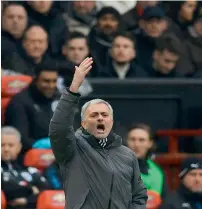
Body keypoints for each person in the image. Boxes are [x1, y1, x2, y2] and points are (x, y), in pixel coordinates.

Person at [49, 57, 147, 209]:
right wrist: (73, 88)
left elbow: (139, 195)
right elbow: (59, 128)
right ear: (83, 123)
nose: (100, 118)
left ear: (111, 122)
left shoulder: (128, 155)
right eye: (94, 115)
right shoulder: (72, 148)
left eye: (104, 115)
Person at [1, 126, 50, 209]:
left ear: (19, 147)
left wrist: (27, 200)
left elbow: (46, 190)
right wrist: (31, 189)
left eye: (10, 145)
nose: (6, 149)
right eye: (2, 145)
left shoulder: (30, 170)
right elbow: (7, 189)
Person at [126, 124, 169, 199]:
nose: (136, 144)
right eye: (132, 139)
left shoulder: (158, 171)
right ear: (126, 141)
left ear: (150, 143)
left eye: (141, 140)